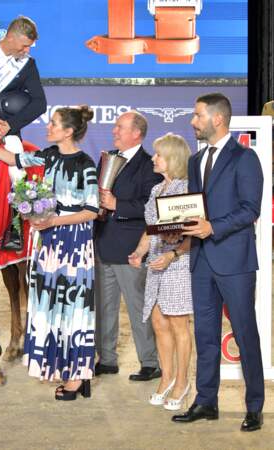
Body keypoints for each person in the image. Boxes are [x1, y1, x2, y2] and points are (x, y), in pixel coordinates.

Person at [0, 105, 99, 401]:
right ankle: (66, 370)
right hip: (47, 244)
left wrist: (54, 220)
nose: (48, 127)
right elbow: (11, 157)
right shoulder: (48, 155)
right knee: (51, 309)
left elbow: (91, 210)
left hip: (73, 246)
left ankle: (78, 377)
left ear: (69, 131)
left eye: (54, 124)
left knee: (74, 312)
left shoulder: (86, 164)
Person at [172, 93, 265, 431]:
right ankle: (205, 401)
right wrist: (178, 231)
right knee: (206, 336)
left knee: (245, 334)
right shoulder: (196, 161)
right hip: (201, 260)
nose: (193, 121)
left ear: (217, 119)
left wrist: (213, 227)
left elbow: (249, 210)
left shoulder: (245, 158)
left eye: (197, 116)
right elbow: (195, 210)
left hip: (235, 261)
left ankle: (254, 406)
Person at [94, 111, 162, 380]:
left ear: (137, 133)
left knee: (138, 309)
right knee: (104, 308)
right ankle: (107, 359)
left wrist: (116, 206)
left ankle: (150, 362)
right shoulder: (107, 159)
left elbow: (152, 207)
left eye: (119, 127)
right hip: (103, 244)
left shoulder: (149, 165)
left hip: (132, 250)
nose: (114, 131)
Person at [128, 133, 193, 410]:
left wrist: (173, 252)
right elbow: (151, 229)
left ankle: (182, 382)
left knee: (179, 325)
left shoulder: (187, 188)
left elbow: (192, 234)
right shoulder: (156, 190)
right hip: (155, 262)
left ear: (172, 159)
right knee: (158, 323)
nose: (153, 158)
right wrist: (139, 251)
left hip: (178, 263)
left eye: (158, 155)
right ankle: (166, 377)